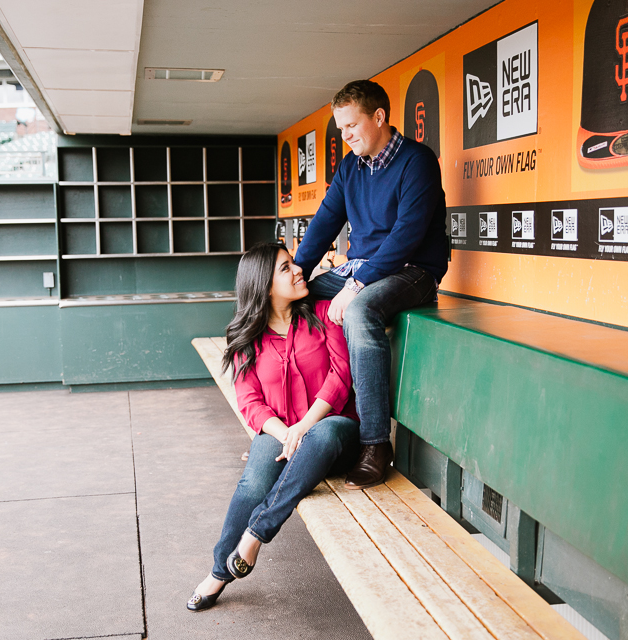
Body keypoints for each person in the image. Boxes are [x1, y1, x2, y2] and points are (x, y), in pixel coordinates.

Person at [187, 242, 359, 612]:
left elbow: (341, 376)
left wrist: (303, 428)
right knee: (254, 477)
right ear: (264, 286)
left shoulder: (325, 313)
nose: (299, 270)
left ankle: (257, 532)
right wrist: (284, 433)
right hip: (284, 438)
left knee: (322, 434)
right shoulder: (246, 340)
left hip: (334, 434)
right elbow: (250, 403)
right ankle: (219, 572)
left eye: (294, 263)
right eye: (286, 268)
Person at [294, 79, 448, 490]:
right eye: (340, 129)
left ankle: (375, 443)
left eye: (351, 126)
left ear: (379, 117)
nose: (345, 137)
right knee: (296, 301)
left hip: (413, 270)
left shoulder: (417, 161)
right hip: (363, 268)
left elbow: (407, 236)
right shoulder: (350, 168)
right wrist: (291, 275)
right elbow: (326, 221)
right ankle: (303, 418)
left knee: (360, 312)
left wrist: (357, 283)